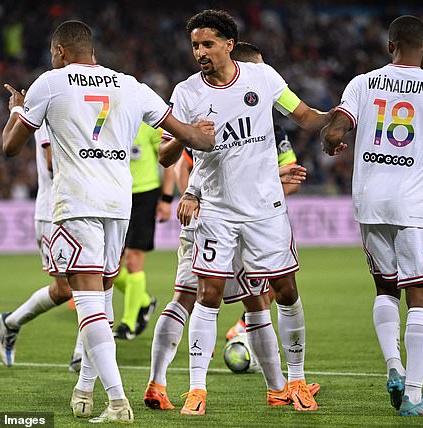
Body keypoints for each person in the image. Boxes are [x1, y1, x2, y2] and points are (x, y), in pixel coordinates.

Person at [1, 20, 214, 423]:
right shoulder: (131, 86)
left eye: (53, 54)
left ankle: (117, 401)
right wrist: (201, 133)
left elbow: (9, 147)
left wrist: (16, 109)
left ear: (61, 51)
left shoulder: (50, 82)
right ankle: (84, 387)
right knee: (99, 300)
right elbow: (187, 136)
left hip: (77, 203)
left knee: (88, 304)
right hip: (120, 204)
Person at [168, 10, 335, 415]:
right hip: (218, 211)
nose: (200, 52)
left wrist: (343, 119)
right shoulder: (187, 92)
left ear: (229, 43)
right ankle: (196, 389)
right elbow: (165, 153)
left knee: (286, 291)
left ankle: (294, 381)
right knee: (207, 295)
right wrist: (189, 136)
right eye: (195, 45)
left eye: (207, 44)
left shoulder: (263, 78)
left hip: (265, 209)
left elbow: (306, 116)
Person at [321, 15, 423, 416]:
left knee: (384, 289)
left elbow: (334, 129)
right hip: (414, 207)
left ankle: (394, 368)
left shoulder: (362, 83)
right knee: (422, 297)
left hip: (369, 203)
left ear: (389, 44)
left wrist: (333, 140)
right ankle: (412, 395)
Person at [224, 41, 302, 340]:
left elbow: (293, 176)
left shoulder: (273, 127)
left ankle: (245, 333)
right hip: (221, 218)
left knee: (278, 284)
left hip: (265, 215)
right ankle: (200, 357)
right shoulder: (212, 115)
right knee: (202, 292)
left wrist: (264, 193)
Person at [0, 123, 76, 367]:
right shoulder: (51, 112)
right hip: (53, 213)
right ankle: (11, 323)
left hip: (79, 208)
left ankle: (81, 356)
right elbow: (52, 164)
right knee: (67, 290)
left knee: (93, 281)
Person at [112, 122, 174, 340]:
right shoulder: (109, 117)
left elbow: (168, 160)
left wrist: (166, 199)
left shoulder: (148, 121)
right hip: (116, 196)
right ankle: (146, 302)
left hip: (144, 196)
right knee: (110, 267)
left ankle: (128, 324)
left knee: (133, 259)